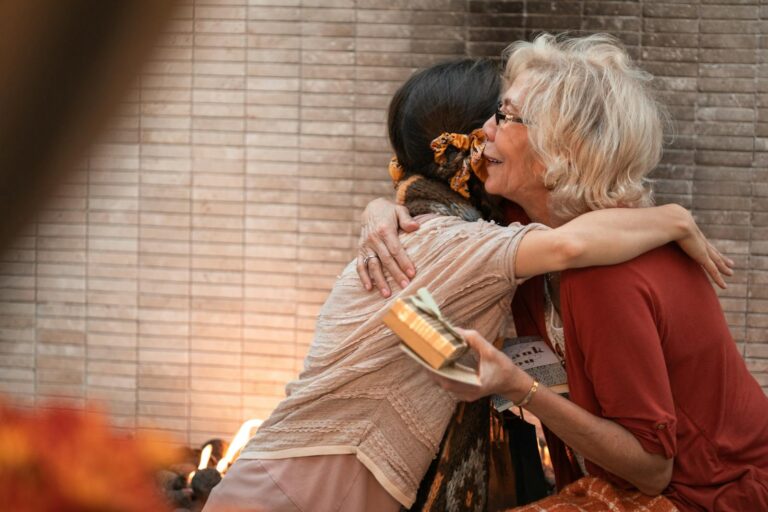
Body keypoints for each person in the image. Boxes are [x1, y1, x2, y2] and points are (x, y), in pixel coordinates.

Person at [203, 58, 729, 512]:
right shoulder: (455, 245)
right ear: (470, 149)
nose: (498, 128)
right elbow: (568, 245)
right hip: (294, 493)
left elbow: (434, 352)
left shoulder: (439, 242)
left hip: (299, 482)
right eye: (496, 115)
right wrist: (676, 217)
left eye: (508, 116)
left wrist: (383, 206)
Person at [358, 34, 768, 511]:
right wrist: (381, 212)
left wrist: (516, 386)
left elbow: (653, 471)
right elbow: (429, 259)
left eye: (506, 117)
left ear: (561, 150)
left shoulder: (605, 273)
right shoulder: (523, 225)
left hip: (706, 495)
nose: (483, 131)